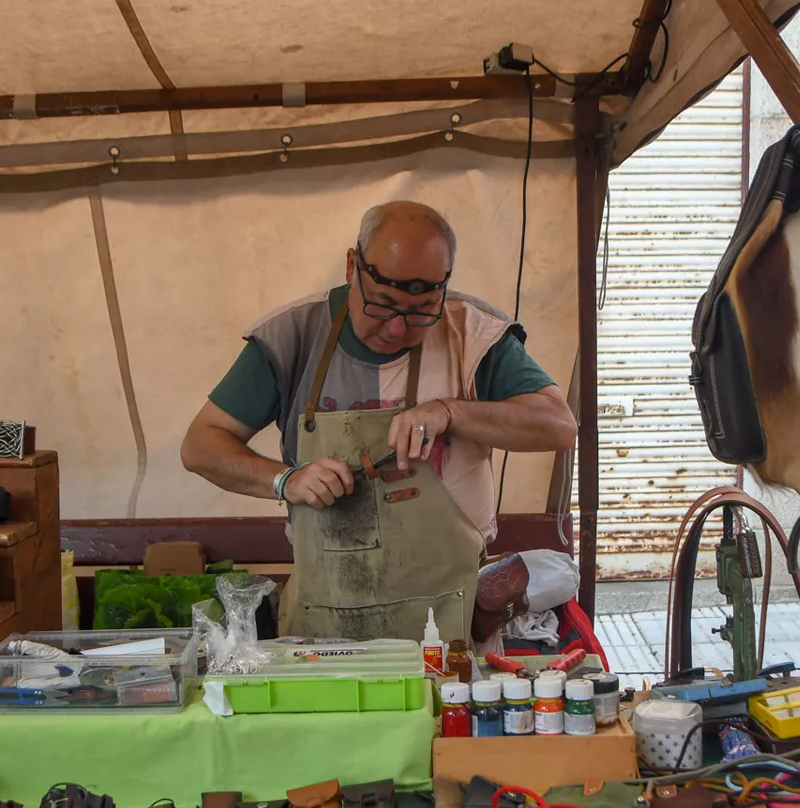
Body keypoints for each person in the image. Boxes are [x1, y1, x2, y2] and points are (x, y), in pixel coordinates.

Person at [181, 201, 576, 642]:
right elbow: (201, 446)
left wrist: (451, 412)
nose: (396, 328)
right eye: (383, 304)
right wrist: (284, 481)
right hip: (326, 619)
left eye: (421, 309)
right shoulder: (290, 336)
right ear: (353, 267)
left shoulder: (474, 335)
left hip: (451, 617)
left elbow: (558, 425)